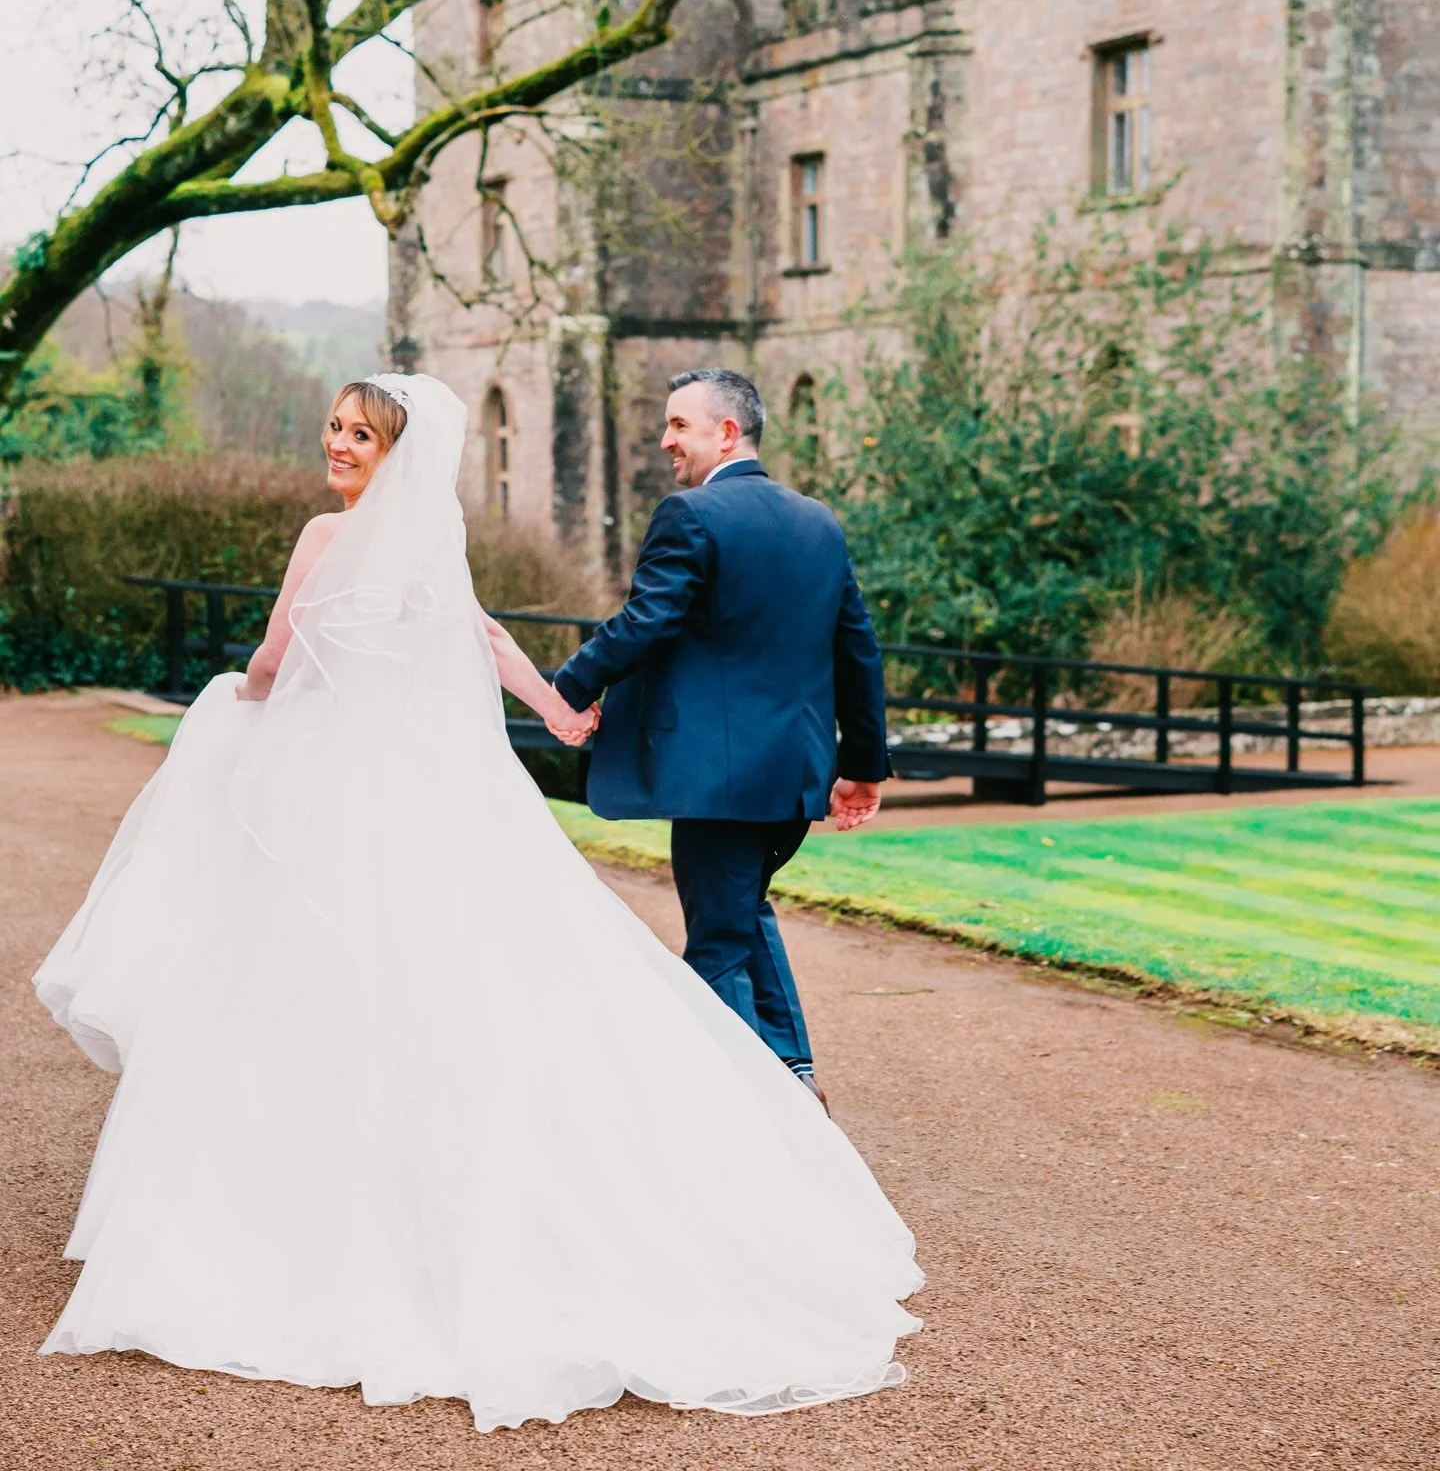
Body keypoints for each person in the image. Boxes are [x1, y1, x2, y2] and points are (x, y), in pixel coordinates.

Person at [33, 374, 920, 1433]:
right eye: (336, 427)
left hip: (349, 793)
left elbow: (282, 655)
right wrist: (560, 704)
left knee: (331, 980)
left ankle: (765, 1096)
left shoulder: (331, 538)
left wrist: (243, 698)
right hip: (520, 785)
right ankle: (782, 1085)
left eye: (358, 433)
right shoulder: (440, 548)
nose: (339, 444)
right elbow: (491, 641)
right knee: (629, 943)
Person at [552, 368, 890, 1111]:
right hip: (792, 775)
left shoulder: (692, 516)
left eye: (679, 424)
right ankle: (793, 1075)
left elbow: (648, 621)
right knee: (739, 913)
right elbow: (856, 648)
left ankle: (746, 1114)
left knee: (715, 944)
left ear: (726, 432)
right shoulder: (818, 523)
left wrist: (566, 688)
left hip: (720, 780)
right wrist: (863, 764)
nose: (666, 440)